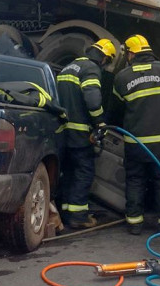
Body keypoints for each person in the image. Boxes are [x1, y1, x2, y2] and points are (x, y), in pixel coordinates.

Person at [112, 35, 160, 235]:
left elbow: (115, 109)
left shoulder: (122, 77)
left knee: (135, 180)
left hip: (136, 144)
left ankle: (134, 223)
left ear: (130, 54)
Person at [56, 39, 116, 229]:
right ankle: (79, 216)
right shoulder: (91, 69)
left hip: (62, 132)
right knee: (84, 173)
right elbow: (92, 99)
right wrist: (100, 122)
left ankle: (66, 211)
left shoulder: (68, 67)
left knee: (68, 173)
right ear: (104, 57)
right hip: (80, 134)